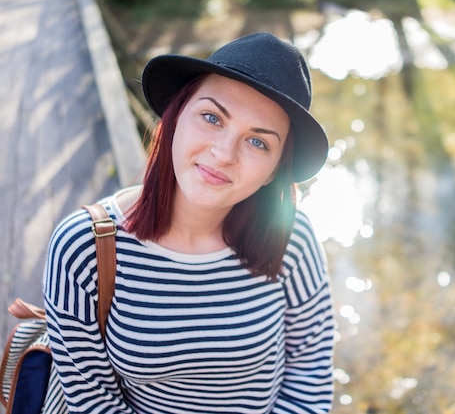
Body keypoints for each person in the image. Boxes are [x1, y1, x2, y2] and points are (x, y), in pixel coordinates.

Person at [43, 32, 335, 413]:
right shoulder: (83, 247)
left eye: (258, 142)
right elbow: (91, 398)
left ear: (273, 172)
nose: (223, 153)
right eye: (212, 118)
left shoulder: (291, 237)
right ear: (176, 115)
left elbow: (310, 368)